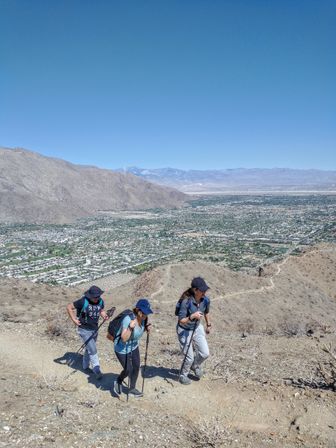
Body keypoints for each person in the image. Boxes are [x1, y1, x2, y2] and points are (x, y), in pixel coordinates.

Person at [109, 298, 152, 398]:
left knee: (136, 367)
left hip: (133, 346)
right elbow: (124, 338)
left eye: (147, 313)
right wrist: (130, 328)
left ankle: (132, 389)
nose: (146, 315)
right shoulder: (128, 320)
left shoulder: (144, 319)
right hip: (122, 349)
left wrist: (146, 328)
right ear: (139, 311)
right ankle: (119, 380)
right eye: (145, 313)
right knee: (128, 369)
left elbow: (139, 330)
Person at [66, 285, 109, 379]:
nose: (97, 298)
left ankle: (85, 366)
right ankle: (96, 369)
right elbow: (69, 307)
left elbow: (101, 310)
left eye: (98, 296)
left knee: (89, 348)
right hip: (84, 330)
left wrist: (105, 316)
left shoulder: (100, 301)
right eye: (95, 297)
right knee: (93, 349)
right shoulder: (83, 301)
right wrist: (74, 319)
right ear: (90, 296)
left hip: (95, 329)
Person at [176, 277, 211, 385]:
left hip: (196, 327)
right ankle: (183, 375)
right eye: (202, 290)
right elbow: (181, 320)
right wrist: (192, 316)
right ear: (195, 290)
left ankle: (195, 366)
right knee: (189, 357)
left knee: (205, 353)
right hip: (184, 329)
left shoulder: (205, 300)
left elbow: (207, 312)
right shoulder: (186, 302)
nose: (204, 292)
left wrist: (208, 324)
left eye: (205, 290)